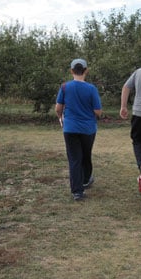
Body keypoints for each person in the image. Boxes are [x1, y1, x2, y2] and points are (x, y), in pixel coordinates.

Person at [55, 58, 102, 201]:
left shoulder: (64, 87)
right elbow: (98, 111)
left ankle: (77, 192)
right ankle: (86, 180)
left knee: (74, 159)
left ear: (71, 71)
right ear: (86, 71)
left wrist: (61, 118)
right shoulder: (91, 89)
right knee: (86, 155)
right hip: (88, 129)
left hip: (70, 128)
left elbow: (58, 108)